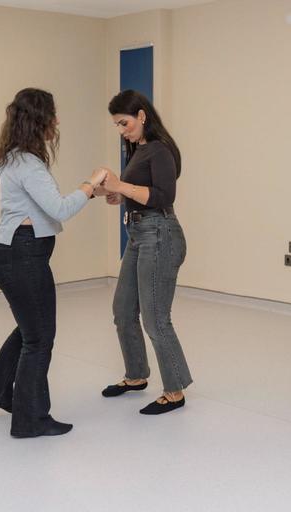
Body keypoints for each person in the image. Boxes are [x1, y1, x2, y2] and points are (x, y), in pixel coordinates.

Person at [0, 88, 106, 438]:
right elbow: (59, 209)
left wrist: (88, 193)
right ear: (39, 120)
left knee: (29, 330)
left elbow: (34, 200)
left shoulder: (10, 158)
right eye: (53, 114)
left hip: (9, 254)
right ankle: (30, 419)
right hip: (23, 256)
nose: (57, 120)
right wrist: (90, 184)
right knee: (39, 338)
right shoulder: (28, 164)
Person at [99, 90, 192, 415]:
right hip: (139, 234)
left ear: (141, 115)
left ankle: (175, 391)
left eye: (124, 123)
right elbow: (141, 192)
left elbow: (164, 196)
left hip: (159, 234)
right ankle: (136, 375)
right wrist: (118, 195)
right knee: (123, 310)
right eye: (117, 125)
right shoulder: (138, 150)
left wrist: (121, 186)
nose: (121, 130)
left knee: (155, 318)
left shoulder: (160, 149)